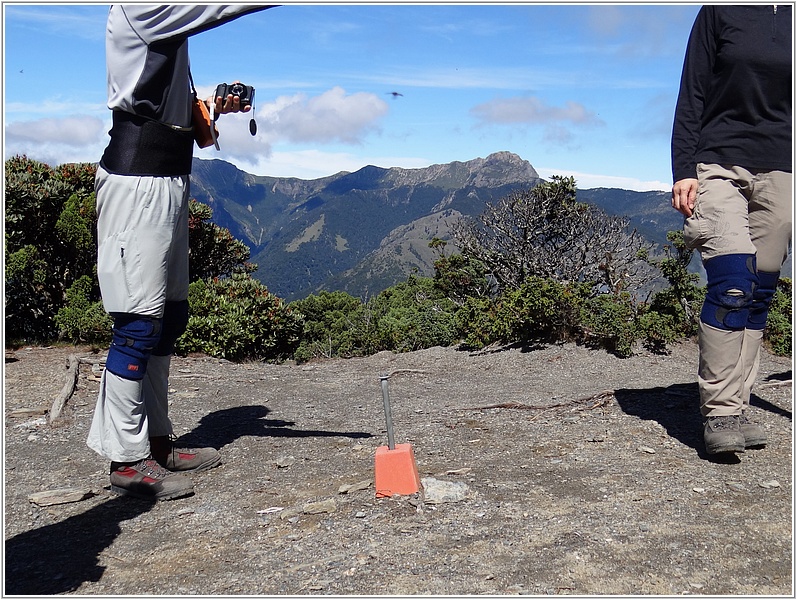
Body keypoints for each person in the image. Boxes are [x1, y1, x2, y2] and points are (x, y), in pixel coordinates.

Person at [88, 5, 272, 500]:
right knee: (137, 323)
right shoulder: (143, 8)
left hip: (166, 181)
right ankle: (127, 461)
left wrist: (211, 105)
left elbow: (180, 118)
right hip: (136, 183)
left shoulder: (166, 25)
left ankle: (157, 440)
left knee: (168, 318)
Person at [670, 5, 792, 455]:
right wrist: (684, 168)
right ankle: (720, 411)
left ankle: (738, 403)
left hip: (784, 167)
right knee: (733, 285)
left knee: (761, 288)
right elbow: (692, 92)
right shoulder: (720, 10)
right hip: (718, 161)